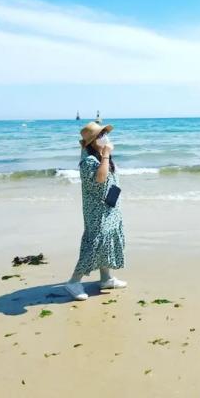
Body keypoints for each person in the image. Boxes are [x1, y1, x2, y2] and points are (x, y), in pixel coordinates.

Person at [64, 121, 127, 300]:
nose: (104, 137)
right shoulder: (89, 161)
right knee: (95, 243)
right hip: (97, 210)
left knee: (106, 240)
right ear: (92, 142)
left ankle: (105, 278)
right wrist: (106, 154)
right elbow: (100, 179)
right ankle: (74, 282)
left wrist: (104, 154)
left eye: (104, 134)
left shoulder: (99, 156)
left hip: (110, 206)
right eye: (100, 135)